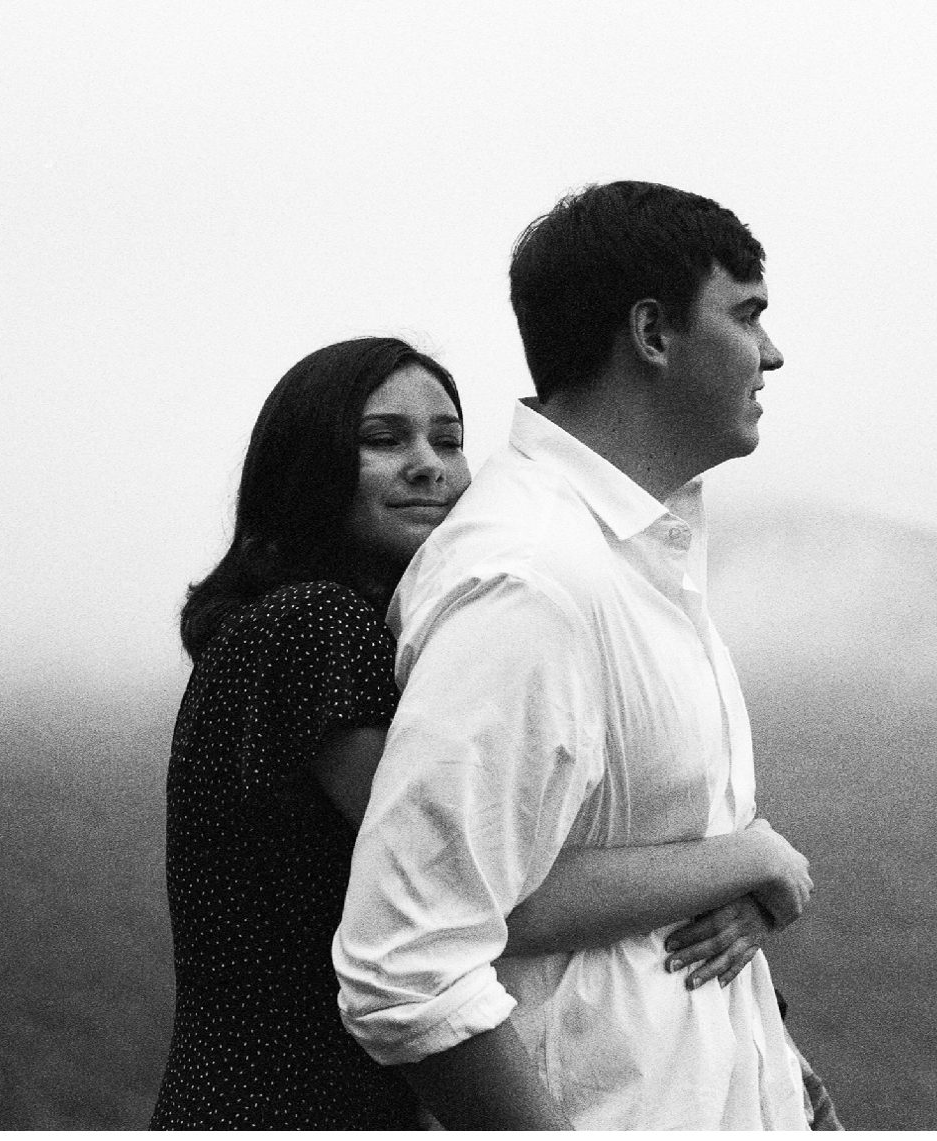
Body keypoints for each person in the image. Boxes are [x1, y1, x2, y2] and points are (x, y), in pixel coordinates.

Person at [151, 336, 817, 1129]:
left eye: (449, 438)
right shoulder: (314, 625)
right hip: (290, 1104)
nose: (429, 464)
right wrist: (750, 859)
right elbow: (495, 890)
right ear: (306, 465)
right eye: (383, 439)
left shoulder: (330, 629)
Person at [334, 182, 826, 1128]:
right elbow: (404, 957)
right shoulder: (532, 580)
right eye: (748, 314)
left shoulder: (635, 555)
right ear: (652, 332)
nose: (771, 352)